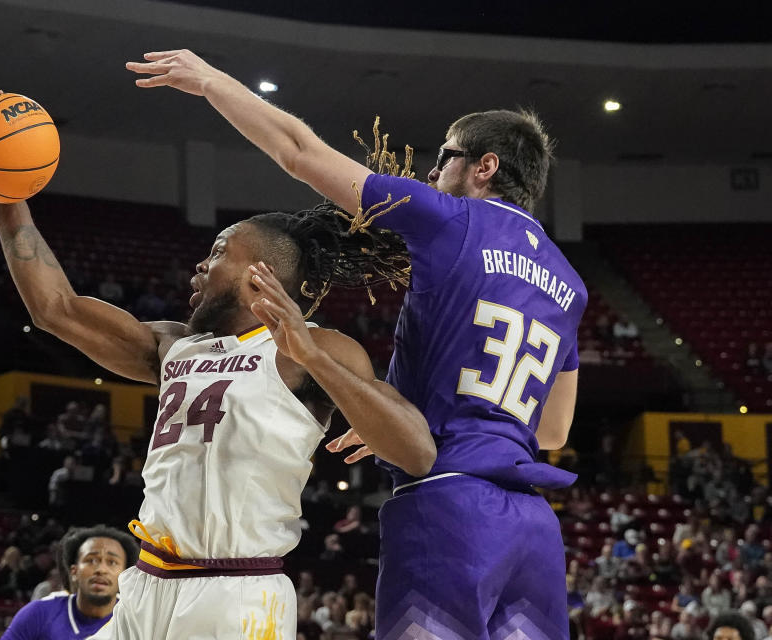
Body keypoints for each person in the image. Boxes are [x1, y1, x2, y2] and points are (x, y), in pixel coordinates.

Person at [127, 50, 585, 639]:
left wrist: (212, 81)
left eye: (444, 157)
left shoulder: (451, 219)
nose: (431, 173)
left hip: (449, 503)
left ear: (484, 166)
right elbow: (552, 432)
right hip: (532, 524)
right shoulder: (569, 282)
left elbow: (298, 151)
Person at [0, 89, 433, 640]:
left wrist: (313, 354)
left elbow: (416, 452)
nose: (202, 262)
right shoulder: (174, 345)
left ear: (261, 274)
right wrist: (3, 192)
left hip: (235, 592)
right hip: (146, 581)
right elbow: (56, 309)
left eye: (221, 250)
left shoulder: (315, 349)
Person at [2, 526, 137, 640]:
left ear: (125, 575)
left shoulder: (139, 622)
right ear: (73, 572)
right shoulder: (38, 613)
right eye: (91, 560)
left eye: (112, 562)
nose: (101, 570)